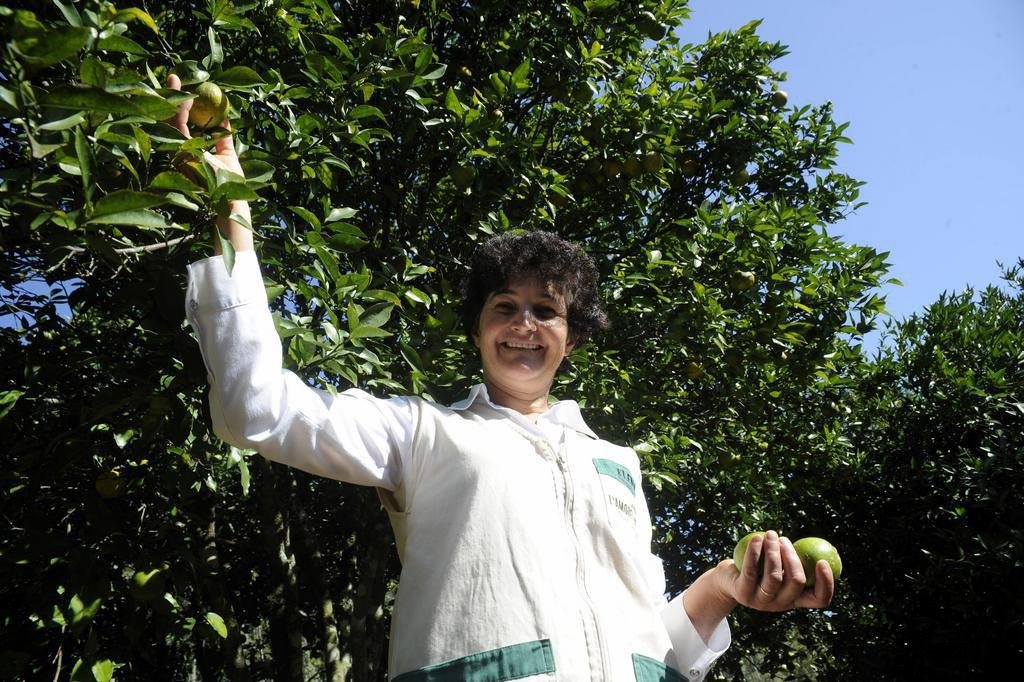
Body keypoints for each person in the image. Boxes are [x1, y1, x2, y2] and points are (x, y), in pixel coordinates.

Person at [172, 74, 834, 682]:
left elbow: (645, 645)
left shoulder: (617, 463)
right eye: (504, 308)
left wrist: (723, 588)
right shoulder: (422, 434)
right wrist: (230, 211)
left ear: (571, 339)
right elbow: (253, 407)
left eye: (546, 310)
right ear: (478, 329)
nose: (524, 325)